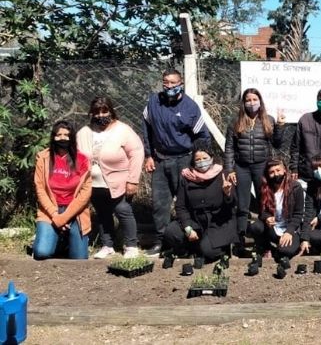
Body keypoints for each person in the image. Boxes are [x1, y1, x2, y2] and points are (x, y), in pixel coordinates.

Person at [141, 68, 210, 256]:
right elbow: (146, 129)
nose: (169, 86)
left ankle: (191, 241)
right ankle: (161, 242)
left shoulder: (190, 107)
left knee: (187, 203)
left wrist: (198, 162)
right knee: (159, 204)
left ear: (181, 84)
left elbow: (202, 136)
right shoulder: (153, 102)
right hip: (160, 160)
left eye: (173, 82)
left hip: (184, 159)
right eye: (166, 82)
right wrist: (148, 155)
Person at [77, 97, 144, 259]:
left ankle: (131, 245)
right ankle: (107, 245)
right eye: (97, 112)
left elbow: (137, 152)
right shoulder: (84, 132)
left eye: (104, 111)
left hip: (119, 181)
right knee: (102, 213)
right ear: (91, 113)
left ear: (111, 111)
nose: (101, 115)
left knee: (123, 210)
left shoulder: (123, 130)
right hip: (93, 183)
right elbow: (78, 157)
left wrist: (133, 180)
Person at [224, 88, 284, 250]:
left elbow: (277, 144)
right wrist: (229, 170)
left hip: (262, 166)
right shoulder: (235, 121)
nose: (252, 103)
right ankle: (240, 239)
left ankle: (265, 239)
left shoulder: (268, 120)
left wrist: (279, 126)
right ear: (243, 103)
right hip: (241, 167)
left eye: (254, 99)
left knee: (264, 202)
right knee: (242, 204)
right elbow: (229, 148)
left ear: (260, 101)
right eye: (248, 100)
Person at [163, 143, 237, 262]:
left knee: (208, 252)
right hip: (195, 220)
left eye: (205, 158)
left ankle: (212, 247)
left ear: (212, 158)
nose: (201, 162)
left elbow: (232, 205)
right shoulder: (187, 177)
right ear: (193, 161)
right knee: (171, 232)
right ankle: (190, 249)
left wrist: (227, 193)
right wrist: (188, 228)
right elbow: (181, 206)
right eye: (198, 159)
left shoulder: (223, 175)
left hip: (218, 222)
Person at [33, 121, 91, 260]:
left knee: (79, 258)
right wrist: (55, 215)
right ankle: (55, 240)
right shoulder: (43, 158)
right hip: (50, 211)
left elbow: (85, 193)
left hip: (75, 211)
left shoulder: (82, 159)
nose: (63, 138)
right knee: (42, 252)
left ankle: (64, 241)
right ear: (53, 137)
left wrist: (64, 218)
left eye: (66, 134)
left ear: (72, 137)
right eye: (59, 135)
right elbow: (40, 188)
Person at [248, 158, 304, 260]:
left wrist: (289, 232)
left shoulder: (296, 187)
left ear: (284, 170)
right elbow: (262, 211)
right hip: (273, 228)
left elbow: (298, 214)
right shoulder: (264, 188)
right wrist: (267, 218)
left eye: (278, 170)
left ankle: (280, 247)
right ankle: (266, 248)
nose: (276, 174)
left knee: (285, 252)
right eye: (272, 172)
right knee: (255, 227)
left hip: (290, 229)